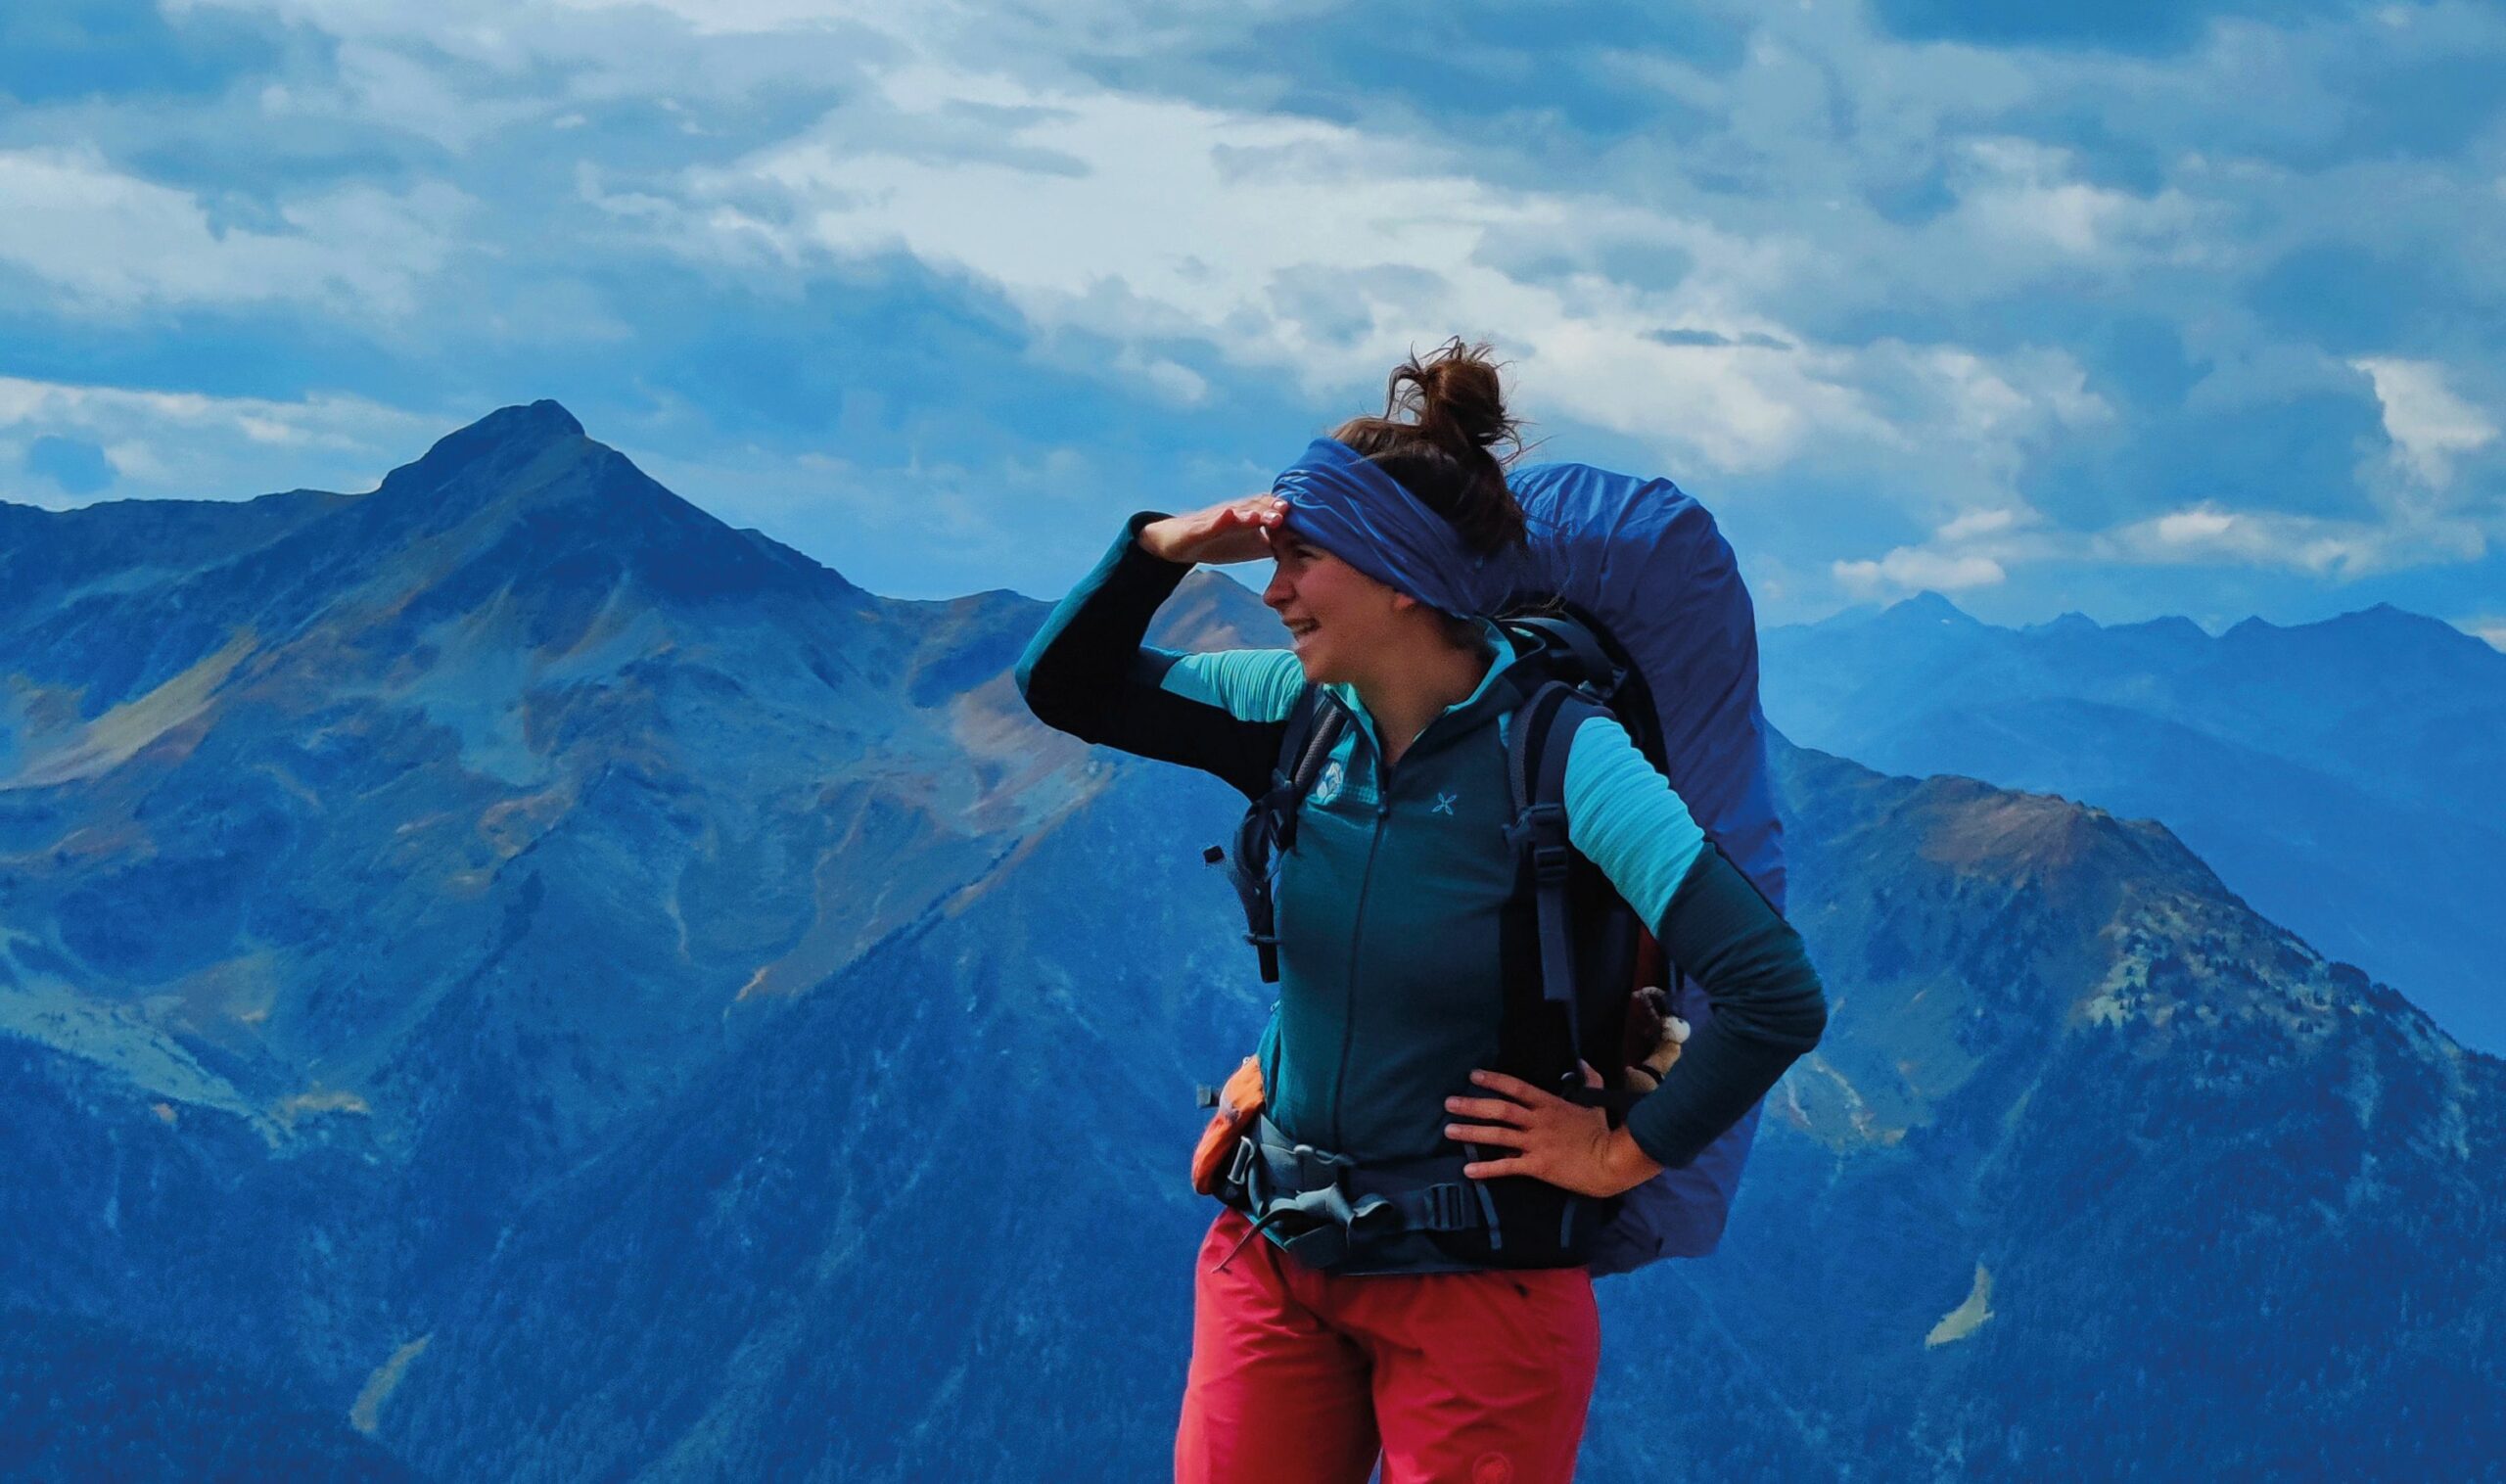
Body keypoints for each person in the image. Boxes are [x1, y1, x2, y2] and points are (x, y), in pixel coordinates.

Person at [1015, 340, 1827, 1484]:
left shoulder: (1566, 756)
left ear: (1400, 576)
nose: (1271, 587)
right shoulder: (1297, 712)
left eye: (1301, 558)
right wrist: (1162, 544)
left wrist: (1614, 1157)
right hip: (1277, 1248)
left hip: (1480, 1291)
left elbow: (1773, 993)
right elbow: (1065, 686)